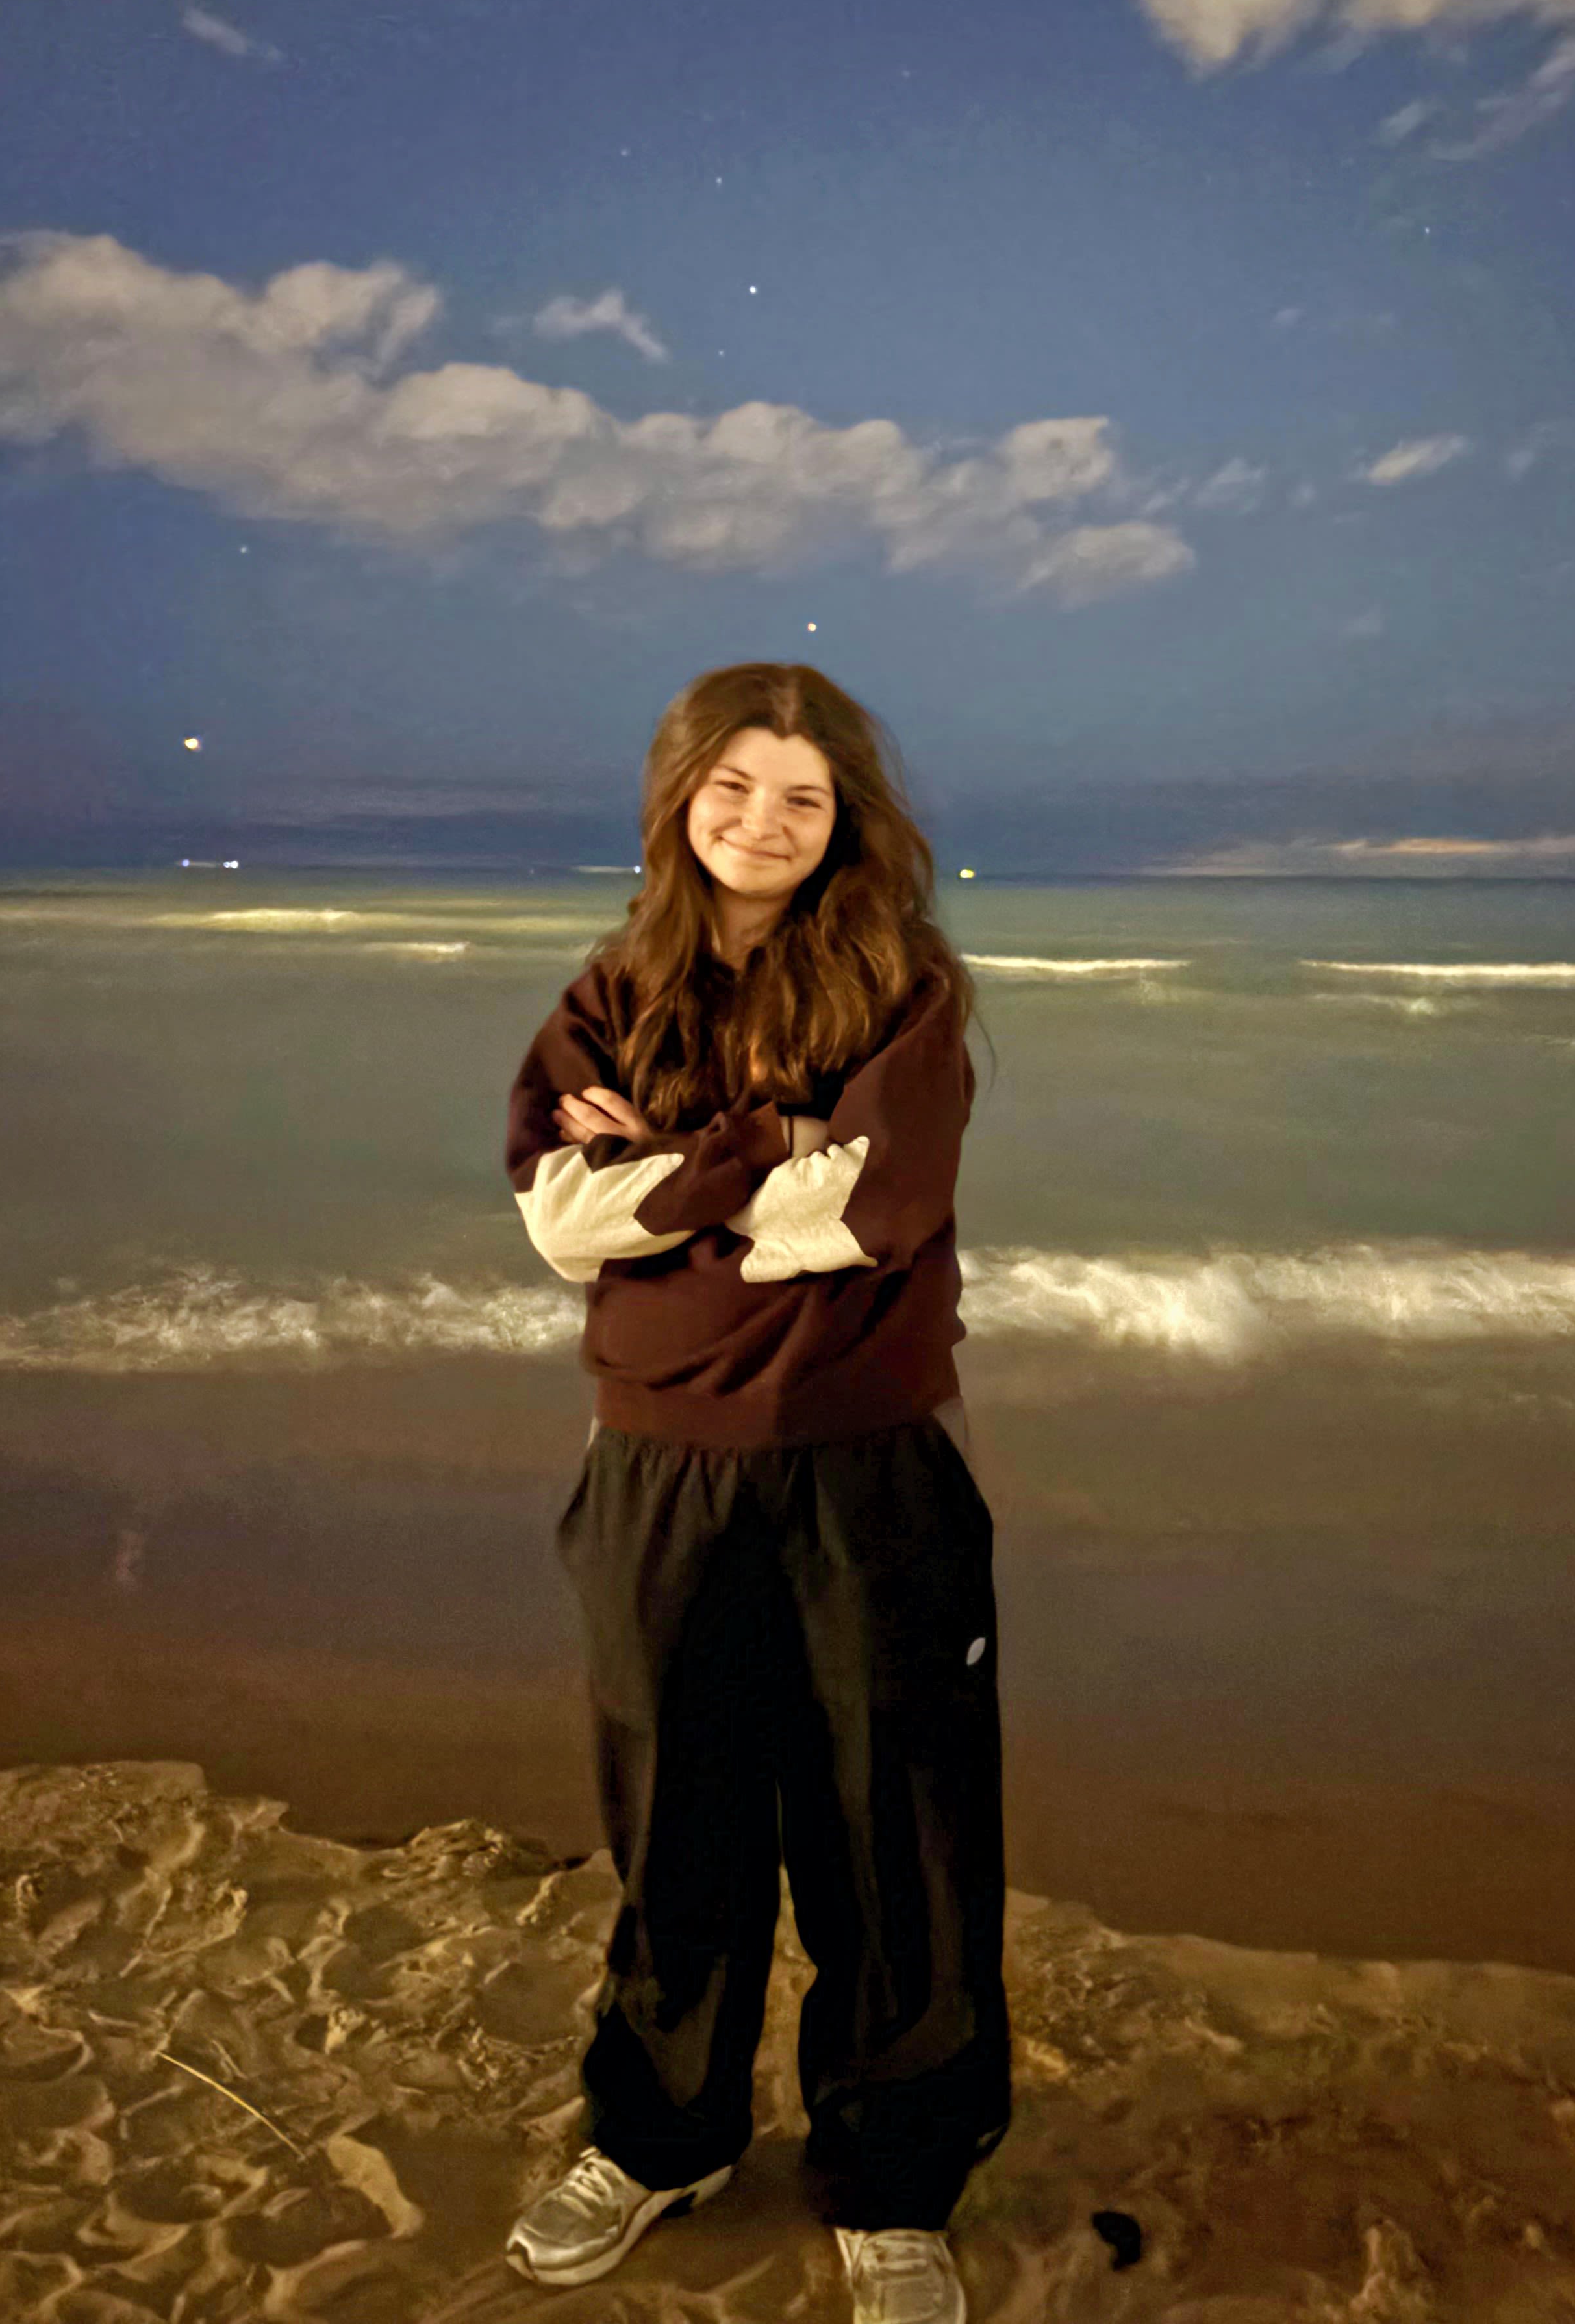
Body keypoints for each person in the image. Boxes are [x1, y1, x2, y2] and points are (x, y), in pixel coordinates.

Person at [501, 662, 1010, 2324]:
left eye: (803, 796)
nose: (764, 822)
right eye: (734, 787)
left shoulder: (902, 986)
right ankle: (662, 2140)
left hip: (870, 1458)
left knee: (895, 1833)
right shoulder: (612, 989)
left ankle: (894, 2179)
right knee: (677, 1820)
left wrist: (669, 1172)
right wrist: (758, 1147)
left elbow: (866, 1215)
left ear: (847, 816)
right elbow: (563, 1223)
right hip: (655, 1462)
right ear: (680, 798)